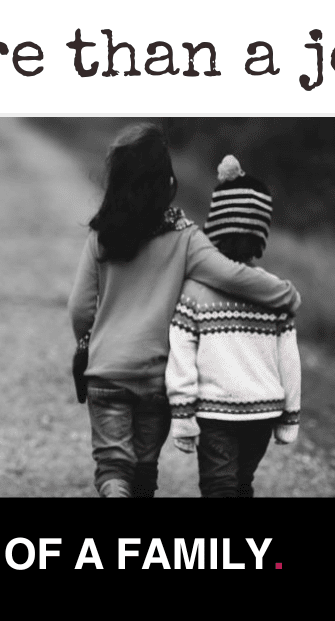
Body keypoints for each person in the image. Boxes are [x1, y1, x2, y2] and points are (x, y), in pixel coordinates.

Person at [67, 125, 301, 499]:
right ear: (167, 181)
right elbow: (232, 275)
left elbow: (80, 307)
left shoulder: (102, 236)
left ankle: (114, 492)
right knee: (144, 467)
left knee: (113, 464)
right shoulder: (185, 237)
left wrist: (89, 342)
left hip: (106, 370)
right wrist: (285, 294)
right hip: (156, 376)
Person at [165, 155, 302, 498]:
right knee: (241, 483)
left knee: (219, 487)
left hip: (215, 413)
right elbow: (290, 359)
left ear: (215, 227)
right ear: (261, 234)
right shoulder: (275, 294)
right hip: (263, 411)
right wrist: (290, 415)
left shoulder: (194, 291)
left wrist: (182, 414)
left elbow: (181, 352)